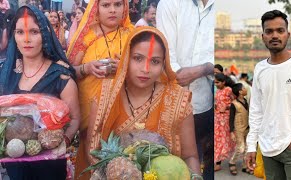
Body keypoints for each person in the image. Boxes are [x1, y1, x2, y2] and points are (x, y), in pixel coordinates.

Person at [86, 27, 201, 177]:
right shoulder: (105, 95)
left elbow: (190, 156)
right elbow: (92, 151)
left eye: (155, 61)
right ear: (126, 58)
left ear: (163, 65)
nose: (146, 69)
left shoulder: (178, 100)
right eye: (138, 58)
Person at [0, 5, 80, 180]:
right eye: (20, 32)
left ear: (44, 34)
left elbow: (75, 119)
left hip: (49, 166)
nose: (26, 39)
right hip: (16, 164)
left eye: (34, 32)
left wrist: (62, 142)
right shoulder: (6, 74)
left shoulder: (60, 77)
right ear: (14, 35)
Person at [246, 10, 291, 180]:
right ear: (262, 36)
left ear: (288, 34)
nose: (274, 35)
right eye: (269, 31)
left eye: (280, 31)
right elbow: (256, 110)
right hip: (267, 149)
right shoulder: (260, 69)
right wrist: (251, 146)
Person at [66, 0, 133, 179]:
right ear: (97, 8)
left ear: (124, 8)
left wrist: (124, 68)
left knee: (123, 161)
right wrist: (87, 68)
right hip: (89, 116)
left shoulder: (133, 35)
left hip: (123, 114)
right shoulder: (86, 37)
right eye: (106, 5)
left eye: (117, 4)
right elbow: (67, 71)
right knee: (90, 156)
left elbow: (147, 72)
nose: (112, 10)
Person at [156, 0, 214, 171]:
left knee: (197, 160)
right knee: (167, 162)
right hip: (170, 103)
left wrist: (204, 69)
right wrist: (180, 76)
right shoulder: (170, 3)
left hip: (204, 103)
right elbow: (166, 51)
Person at [213, 73, 235, 171]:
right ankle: (218, 162)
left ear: (224, 82)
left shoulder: (229, 90)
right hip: (217, 118)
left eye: (218, 82)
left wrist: (226, 107)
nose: (216, 84)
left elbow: (235, 103)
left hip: (226, 119)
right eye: (215, 82)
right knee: (218, 140)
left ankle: (231, 161)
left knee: (226, 139)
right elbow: (217, 103)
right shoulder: (217, 91)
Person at [228, 83, 251, 175]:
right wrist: (231, 132)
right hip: (238, 129)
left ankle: (245, 166)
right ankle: (232, 162)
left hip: (247, 127)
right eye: (244, 88)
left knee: (247, 148)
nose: (246, 89)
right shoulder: (234, 104)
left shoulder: (246, 101)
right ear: (240, 92)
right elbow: (231, 118)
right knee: (240, 148)